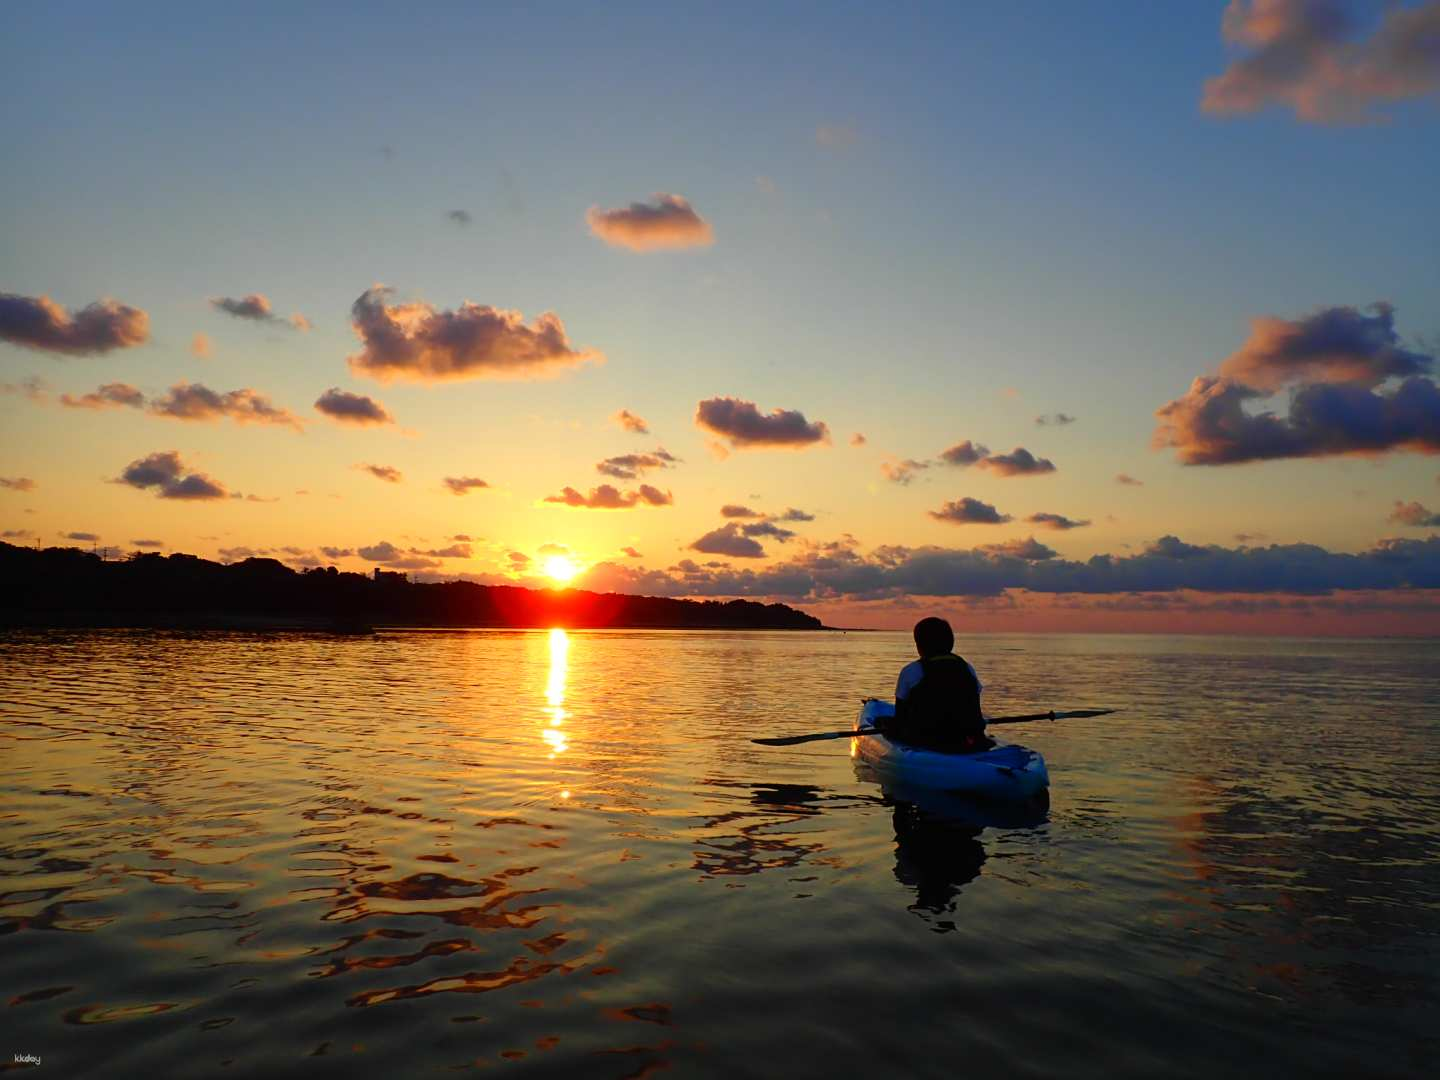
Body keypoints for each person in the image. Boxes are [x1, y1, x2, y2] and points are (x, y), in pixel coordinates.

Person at [885, 616, 988, 753]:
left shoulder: (912, 671)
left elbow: (901, 715)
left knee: (884, 722)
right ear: (950, 642)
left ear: (919, 645)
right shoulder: (967, 668)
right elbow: (975, 707)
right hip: (965, 738)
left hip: (925, 739)